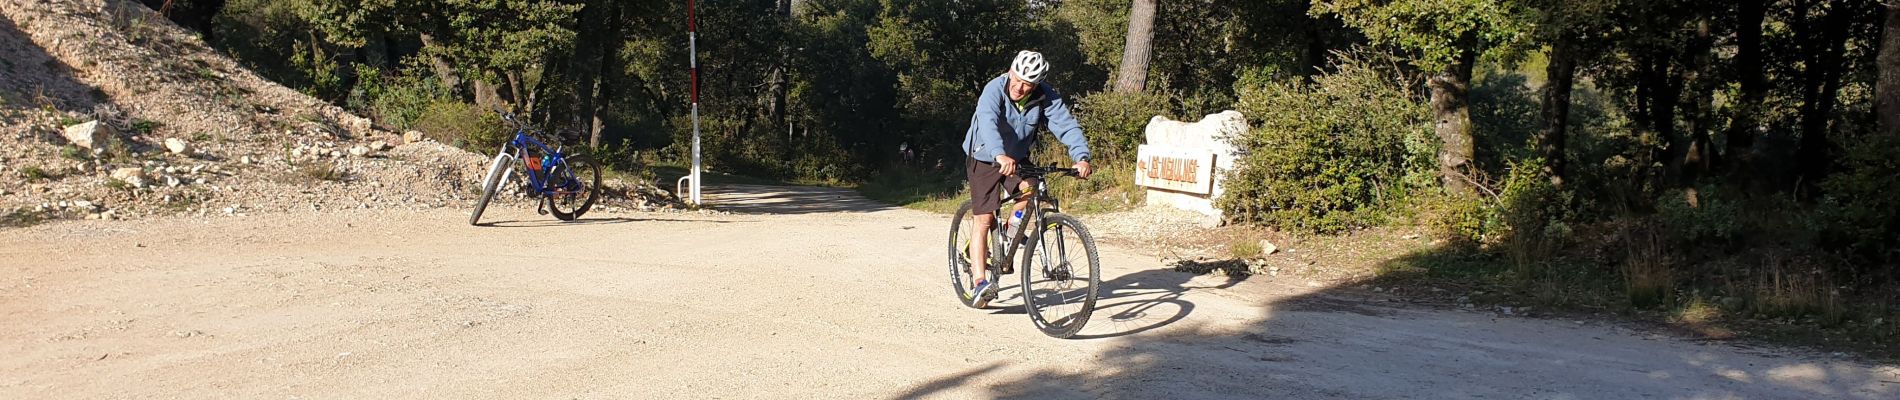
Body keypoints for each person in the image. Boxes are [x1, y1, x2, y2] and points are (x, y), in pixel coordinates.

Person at [960, 50, 1092, 307]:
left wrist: (1082, 157)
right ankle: (979, 283)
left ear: (1038, 84)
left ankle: (1008, 234)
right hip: (985, 155)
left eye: (1028, 84)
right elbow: (987, 123)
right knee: (984, 218)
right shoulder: (994, 89)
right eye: (1017, 79)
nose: (1020, 88)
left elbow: (1066, 125)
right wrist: (999, 154)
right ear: (1011, 71)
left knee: (1030, 188)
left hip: (1017, 156)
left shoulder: (1045, 95)